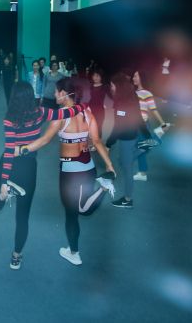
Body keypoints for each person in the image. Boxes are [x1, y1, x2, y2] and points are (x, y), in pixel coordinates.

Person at [14, 77, 116, 266]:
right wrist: (109, 165)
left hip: (70, 172)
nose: (54, 95)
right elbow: (97, 141)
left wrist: (20, 150)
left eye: (56, 91)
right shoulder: (87, 113)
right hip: (88, 168)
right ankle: (102, 186)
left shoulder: (60, 116)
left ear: (63, 93)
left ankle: (74, 252)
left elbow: (44, 140)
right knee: (82, 207)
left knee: (72, 213)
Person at [0, 82, 88, 270]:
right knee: (22, 217)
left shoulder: (9, 119)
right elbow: (66, 113)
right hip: (28, 167)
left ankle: (6, 193)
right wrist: (82, 106)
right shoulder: (40, 112)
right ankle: (16, 257)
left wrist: (4, 181)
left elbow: (9, 151)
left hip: (10, 165)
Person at [106, 71, 143, 209]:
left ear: (119, 86)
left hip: (127, 138)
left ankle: (127, 200)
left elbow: (118, 127)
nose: (111, 87)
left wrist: (108, 144)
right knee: (123, 161)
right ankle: (141, 148)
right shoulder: (131, 96)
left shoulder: (122, 103)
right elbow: (138, 117)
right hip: (133, 134)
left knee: (127, 170)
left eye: (112, 85)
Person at [133, 70, 169, 182]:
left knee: (141, 147)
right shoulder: (134, 92)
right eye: (133, 76)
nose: (133, 78)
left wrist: (163, 123)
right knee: (141, 147)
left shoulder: (146, 93)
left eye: (135, 76)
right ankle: (142, 173)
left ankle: (158, 136)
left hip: (143, 123)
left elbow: (153, 110)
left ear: (141, 78)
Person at [88, 68, 109, 137]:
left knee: (99, 124)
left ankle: (98, 139)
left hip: (100, 109)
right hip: (91, 107)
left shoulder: (105, 87)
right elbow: (92, 98)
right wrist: (87, 107)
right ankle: (92, 136)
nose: (95, 77)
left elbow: (111, 96)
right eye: (94, 75)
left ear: (101, 77)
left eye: (97, 76)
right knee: (91, 123)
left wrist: (106, 104)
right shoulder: (91, 86)